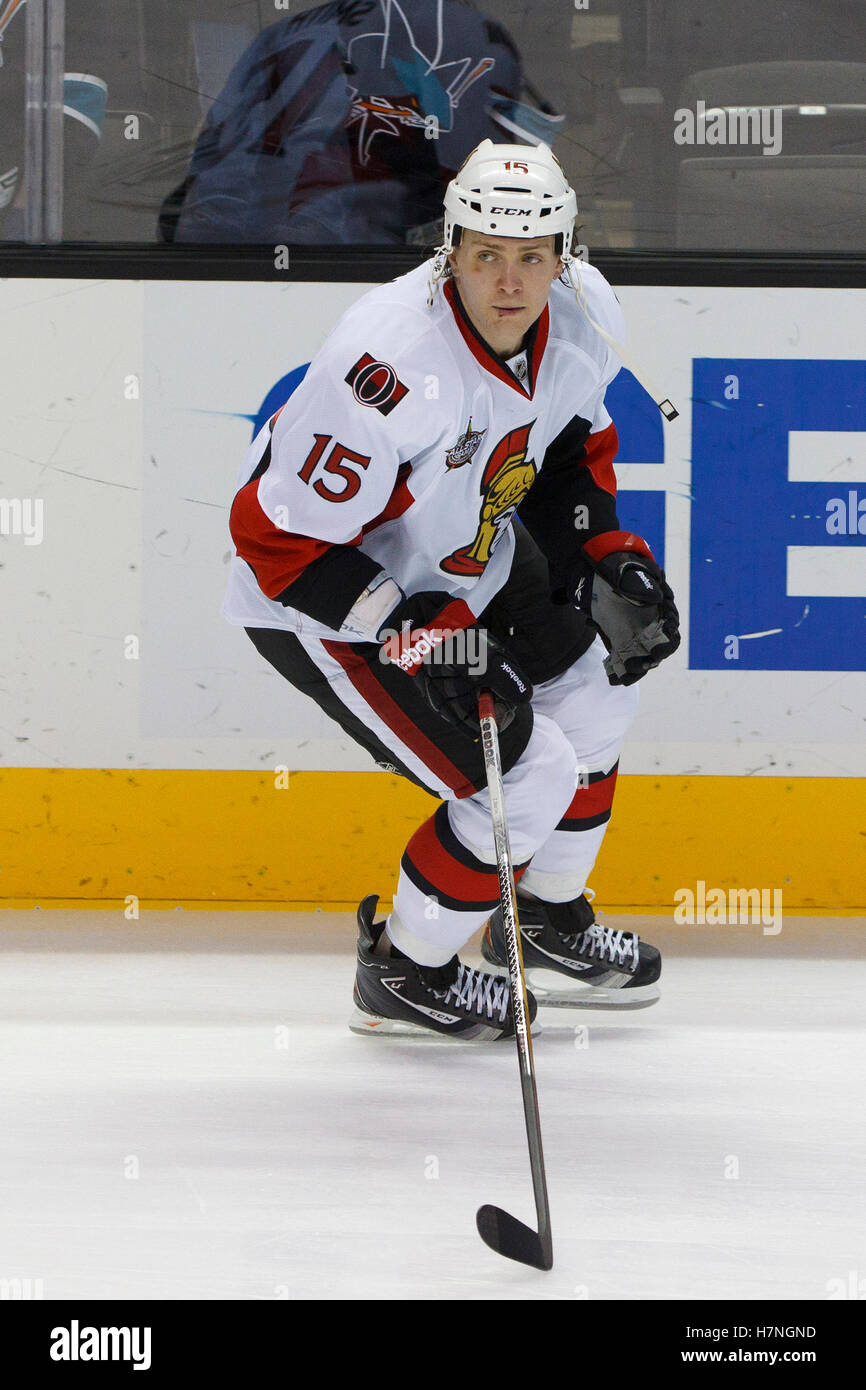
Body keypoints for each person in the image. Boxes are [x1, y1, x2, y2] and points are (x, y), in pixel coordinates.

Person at [222, 139, 680, 1041]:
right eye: (486, 256)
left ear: (564, 254)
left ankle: (540, 920)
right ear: (451, 247)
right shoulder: (386, 367)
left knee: (597, 693)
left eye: (531, 257)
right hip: (326, 600)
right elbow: (273, 540)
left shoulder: (583, 317)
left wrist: (605, 551)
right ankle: (403, 967)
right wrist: (412, 631)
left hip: (467, 560)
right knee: (527, 769)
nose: (509, 282)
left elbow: (563, 456)